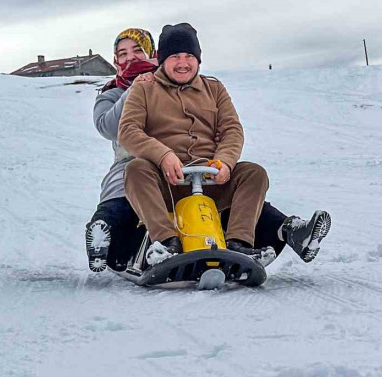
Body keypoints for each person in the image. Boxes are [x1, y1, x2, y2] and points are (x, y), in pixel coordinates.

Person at [85, 27, 330, 272]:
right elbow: (127, 130)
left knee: (253, 173)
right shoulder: (141, 88)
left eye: (189, 56)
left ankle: (240, 243)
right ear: (162, 60)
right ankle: (164, 243)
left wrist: (224, 161)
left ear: (198, 59)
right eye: (175, 57)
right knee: (135, 171)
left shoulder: (214, 89)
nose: (183, 63)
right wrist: (163, 155)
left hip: (208, 176)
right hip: (166, 180)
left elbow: (232, 130)